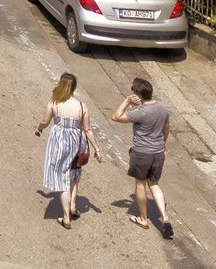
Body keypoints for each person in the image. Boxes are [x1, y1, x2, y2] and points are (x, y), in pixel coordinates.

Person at [113, 76, 174, 238]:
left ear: (138, 94)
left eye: (133, 91)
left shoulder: (139, 112)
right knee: (154, 183)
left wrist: (126, 101)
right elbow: (166, 129)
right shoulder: (162, 107)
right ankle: (165, 217)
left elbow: (116, 117)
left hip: (141, 153)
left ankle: (143, 219)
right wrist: (163, 146)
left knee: (140, 185)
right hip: (158, 152)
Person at [35, 72, 98, 228]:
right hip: (77, 142)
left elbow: (45, 121)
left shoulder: (54, 102)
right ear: (74, 87)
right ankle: (72, 205)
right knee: (74, 172)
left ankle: (66, 217)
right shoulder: (82, 106)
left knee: (62, 178)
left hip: (59, 142)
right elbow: (88, 129)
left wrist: (39, 128)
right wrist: (97, 148)